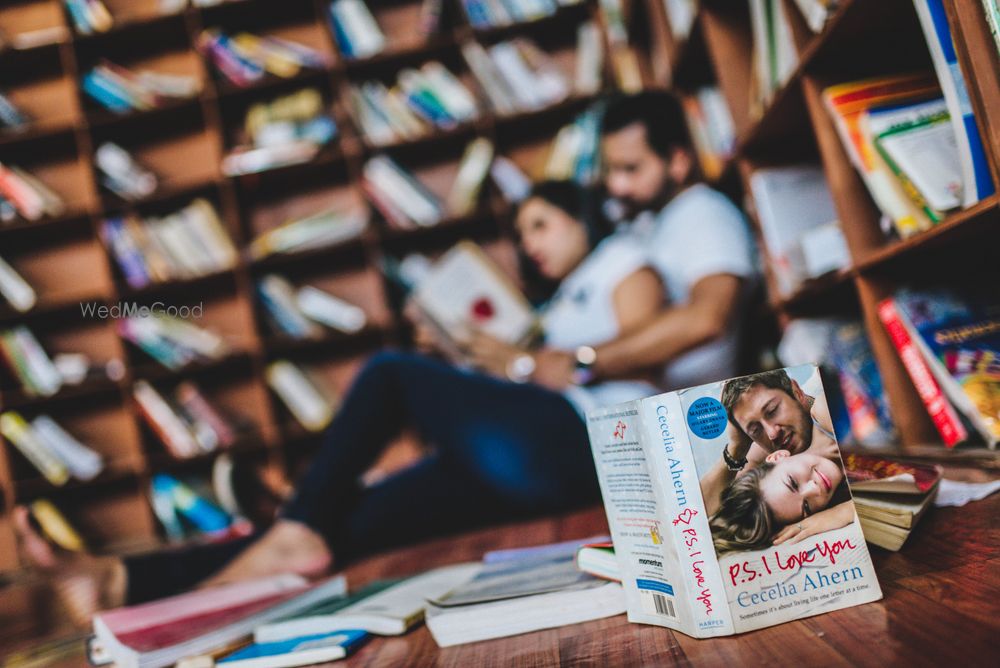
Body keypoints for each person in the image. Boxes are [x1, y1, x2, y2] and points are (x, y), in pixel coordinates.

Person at [14, 181, 664, 625]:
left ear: (584, 215)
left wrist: (525, 364)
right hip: (538, 460)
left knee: (389, 374)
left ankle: (292, 527)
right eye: (522, 232)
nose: (529, 245)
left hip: (591, 446)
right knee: (352, 518)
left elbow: (644, 359)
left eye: (541, 225)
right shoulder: (562, 298)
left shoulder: (623, 262)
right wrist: (491, 360)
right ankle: (126, 584)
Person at [527, 91, 758, 393]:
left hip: (690, 409)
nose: (616, 185)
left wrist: (582, 363)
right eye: (611, 169)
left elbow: (707, 319)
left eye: (631, 169)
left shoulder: (705, 213)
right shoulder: (652, 219)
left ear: (677, 161)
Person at [700, 368, 853, 547]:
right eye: (755, 430)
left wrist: (844, 511)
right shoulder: (770, 456)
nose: (772, 433)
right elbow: (701, 516)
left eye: (772, 411)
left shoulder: (826, 410)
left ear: (796, 392)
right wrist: (737, 449)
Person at [709, 448, 855, 554]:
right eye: (806, 506)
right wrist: (843, 512)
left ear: (778, 456)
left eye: (793, 483)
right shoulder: (844, 495)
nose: (815, 489)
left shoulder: (823, 413)